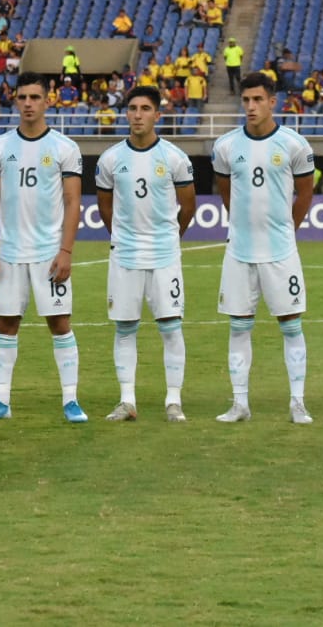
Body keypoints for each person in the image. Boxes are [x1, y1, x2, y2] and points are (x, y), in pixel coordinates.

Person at [0, 71, 87, 423]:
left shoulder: (65, 148)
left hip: (48, 253)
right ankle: (1, 401)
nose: (28, 103)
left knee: (60, 322)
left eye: (35, 97)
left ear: (47, 101)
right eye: (22, 97)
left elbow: (73, 202)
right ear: (15, 101)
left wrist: (65, 251)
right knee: (6, 324)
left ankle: (71, 400)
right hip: (9, 253)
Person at [211, 72, 315, 424]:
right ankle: (240, 404)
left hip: (280, 252)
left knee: (290, 324)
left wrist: (287, 230)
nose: (251, 107)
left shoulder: (293, 144)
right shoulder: (226, 146)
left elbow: (305, 193)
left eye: (258, 100)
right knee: (239, 326)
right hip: (239, 251)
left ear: (273, 102)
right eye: (246, 100)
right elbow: (226, 192)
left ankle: (297, 402)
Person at [95, 86, 197, 422]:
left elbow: (189, 204)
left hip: (164, 255)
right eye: (132, 109)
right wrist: (125, 238)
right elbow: (105, 206)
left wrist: (170, 238)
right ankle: (127, 400)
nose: (137, 115)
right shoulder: (110, 159)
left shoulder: (174, 158)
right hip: (125, 255)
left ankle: (174, 400)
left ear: (157, 114)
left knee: (170, 327)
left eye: (145, 108)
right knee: (124, 327)